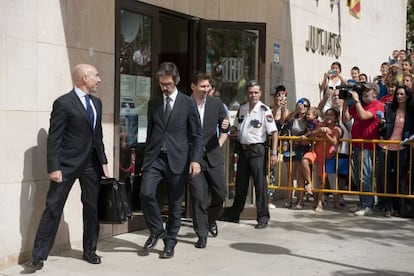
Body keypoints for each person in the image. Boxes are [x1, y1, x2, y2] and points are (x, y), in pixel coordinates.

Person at [24, 64, 109, 271]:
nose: (99, 80)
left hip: (92, 165)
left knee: (92, 208)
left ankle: (90, 251)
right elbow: (55, 138)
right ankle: (38, 255)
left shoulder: (97, 103)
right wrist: (54, 167)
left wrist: (104, 162)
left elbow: (97, 136)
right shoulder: (63, 103)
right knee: (53, 208)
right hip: (66, 166)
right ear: (84, 78)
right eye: (96, 76)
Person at [139, 62, 203, 259]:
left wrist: (195, 160)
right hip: (156, 158)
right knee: (145, 193)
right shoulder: (154, 104)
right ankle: (157, 229)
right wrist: (145, 159)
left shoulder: (188, 103)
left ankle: (170, 242)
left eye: (167, 84)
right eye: (161, 84)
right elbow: (151, 133)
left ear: (176, 81)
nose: (164, 88)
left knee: (175, 204)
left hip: (179, 159)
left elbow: (197, 135)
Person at [220, 80, 278, 229]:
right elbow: (236, 127)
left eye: (256, 92)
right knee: (241, 184)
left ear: (260, 93)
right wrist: (228, 129)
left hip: (257, 150)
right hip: (243, 150)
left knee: (260, 185)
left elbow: (274, 132)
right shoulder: (243, 108)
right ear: (247, 93)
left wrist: (274, 153)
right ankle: (234, 214)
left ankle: (262, 217)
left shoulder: (264, 110)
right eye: (250, 92)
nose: (253, 95)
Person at [188, 72, 230, 249]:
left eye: (208, 87)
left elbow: (225, 126)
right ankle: (202, 233)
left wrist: (220, 140)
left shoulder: (216, 103)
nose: (206, 90)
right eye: (203, 86)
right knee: (198, 196)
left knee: (221, 193)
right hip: (192, 159)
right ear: (193, 86)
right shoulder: (184, 104)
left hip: (212, 156)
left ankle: (210, 220)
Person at [343, 82, 384, 216]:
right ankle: (362, 203)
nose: (364, 92)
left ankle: (368, 205)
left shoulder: (378, 105)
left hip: (368, 146)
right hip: (356, 145)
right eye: (363, 90)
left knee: (365, 176)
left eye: (367, 90)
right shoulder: (360, 104)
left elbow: (364, 116)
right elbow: (346, 118)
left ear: (375, 93)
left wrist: (356, 100)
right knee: (357, 177)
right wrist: (345, 102)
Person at [378, 85, 414, 217]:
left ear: (408, 96)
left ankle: (398, 207)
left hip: (402, 146)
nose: (399, 96)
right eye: (397, 94)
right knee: (386, 177)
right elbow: (383, 127)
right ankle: (388, 207)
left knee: (399, 177)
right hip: (386, 146)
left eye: (402, 94)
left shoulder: (411, 112)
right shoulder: (389, 108)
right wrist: (381, 124)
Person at [300, 108, 342, 212]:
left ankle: (332, 201)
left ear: (336, 118)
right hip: (316, 153)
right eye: (327, 114)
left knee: (329, 180)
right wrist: (320, 130)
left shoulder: (337, 129)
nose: (328, 117)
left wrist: (326, 134)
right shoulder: (321, 124)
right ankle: (309, 186)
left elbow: (333, 142)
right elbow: (312, 134)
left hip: (329, 157)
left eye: (331, 115)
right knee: (305, 160)